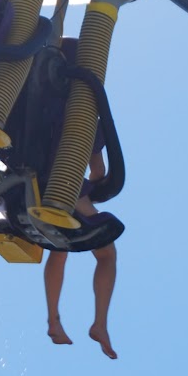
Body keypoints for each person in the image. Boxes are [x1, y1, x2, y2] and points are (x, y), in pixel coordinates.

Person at [43, 150, 119, 359]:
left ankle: (53, 319)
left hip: (26, 185)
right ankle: (100, 324)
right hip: (66, 185)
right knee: (106, 253)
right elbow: (98, 170)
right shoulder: (87, 118)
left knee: (60, 248)